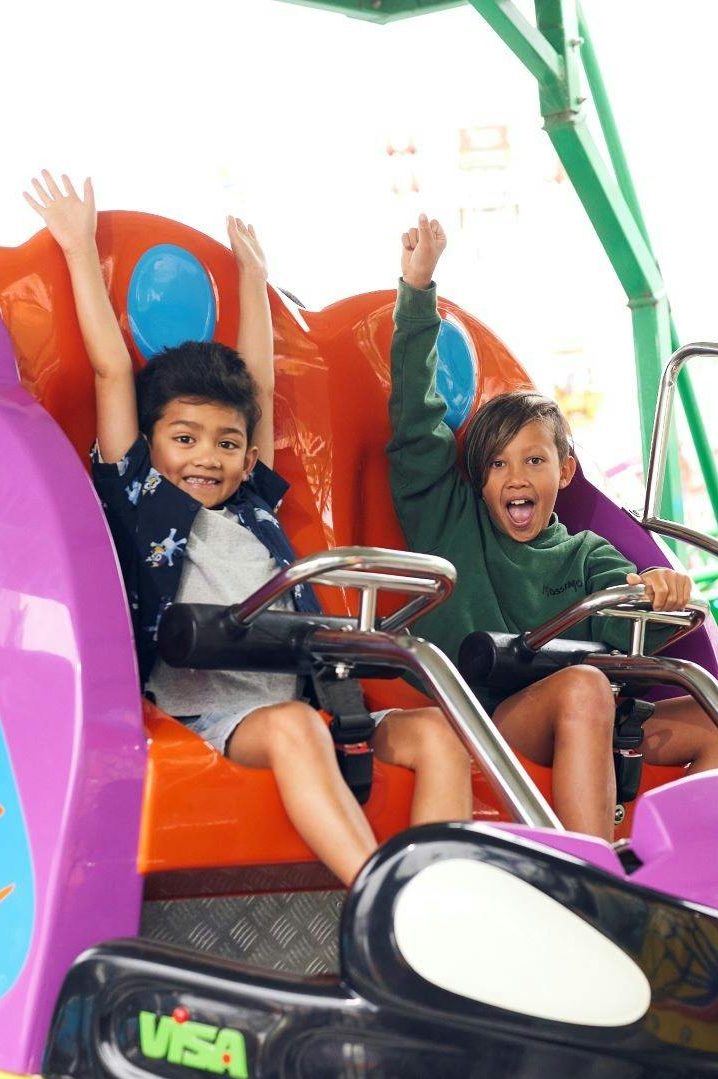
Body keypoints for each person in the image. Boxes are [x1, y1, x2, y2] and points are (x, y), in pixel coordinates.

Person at [24, 172, 470, 884]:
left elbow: (258, 388)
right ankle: (385, 901)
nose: (208, 457)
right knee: (293, 731)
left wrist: (254, 280)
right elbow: (112, 372)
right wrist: (78, 246)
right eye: (187, 438)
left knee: (437, 737)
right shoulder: (142, 494)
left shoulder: (249, 504)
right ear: (153, 439)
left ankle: (439, 896)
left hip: (311, 695)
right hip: (216, 714)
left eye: (226, 444)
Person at [387, 214, 718, 839]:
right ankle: (592, 878)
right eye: (497, 464)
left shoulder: (587, 555)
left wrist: (663, 592)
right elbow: (416, 417)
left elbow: (633, 618)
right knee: (581, 686)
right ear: (478, 478)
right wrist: (417, 292)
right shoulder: (452, 522)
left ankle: (685, 871)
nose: (515, 478)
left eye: (533, 460)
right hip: (491, 722)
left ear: (566, 469)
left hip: (588, 719)